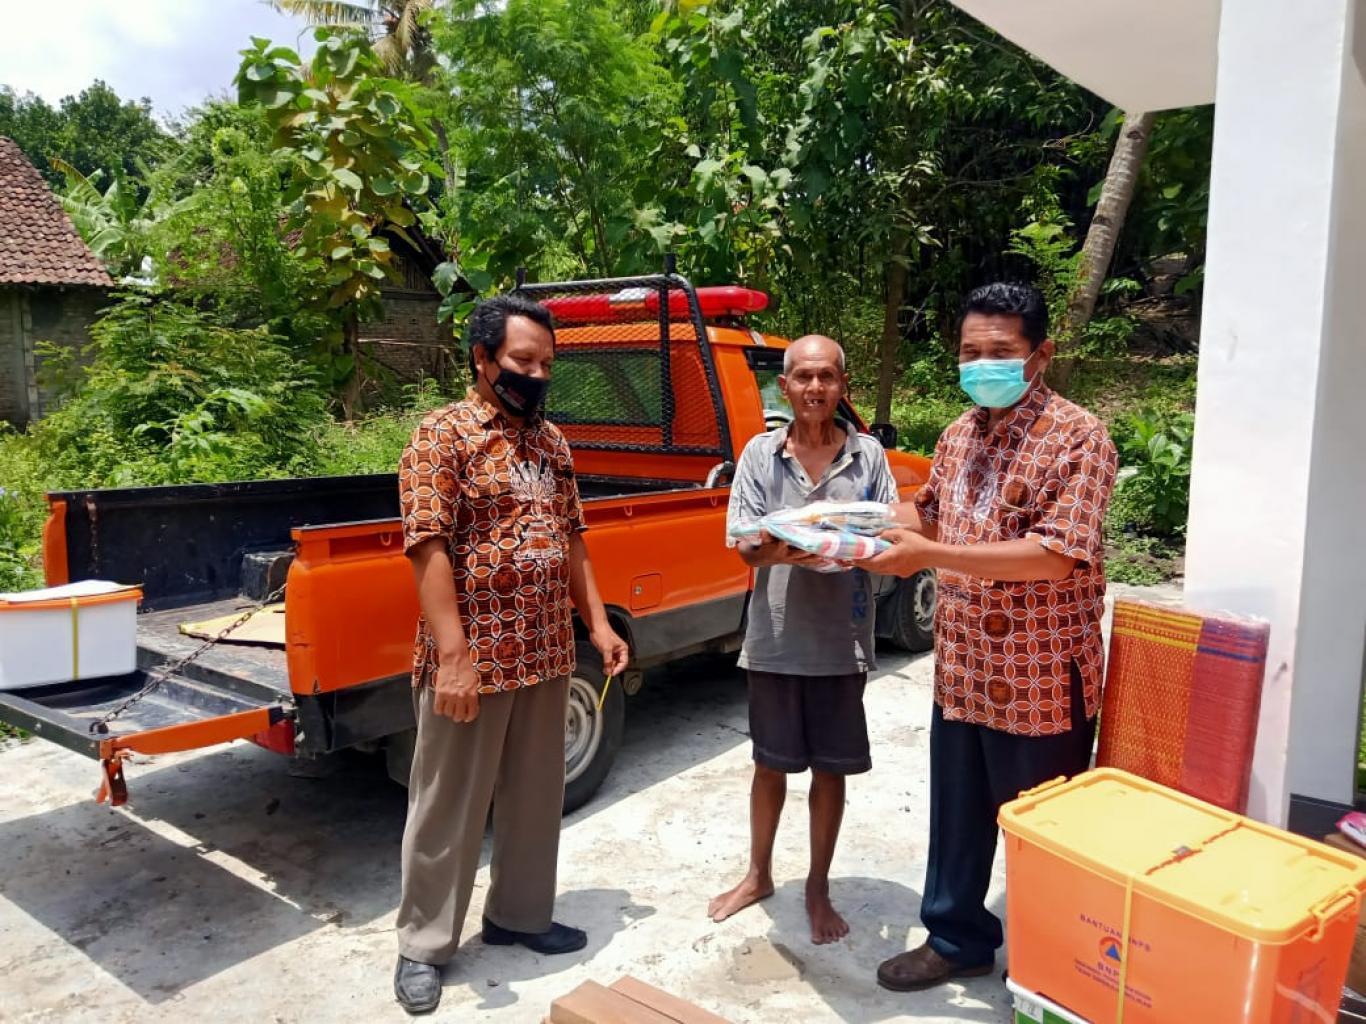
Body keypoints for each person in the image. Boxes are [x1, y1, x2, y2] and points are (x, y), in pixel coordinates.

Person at [856, 282, 1118, 991]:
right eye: (970, 352)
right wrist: (849, 524)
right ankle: (957, 939)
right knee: (957, 815)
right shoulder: (958, 434)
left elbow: (1055, 555)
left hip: (1039, 676)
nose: (981, 366)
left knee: (1043, 829)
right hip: (965, 667)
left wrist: (930, 556)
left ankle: (1051, 964)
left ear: (1040, 355)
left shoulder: (1079, 437)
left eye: (998, 352)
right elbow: (930, 515)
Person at [393, 295, 630, 1015]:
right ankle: (424, 944)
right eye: (524, 361)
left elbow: (573, 539)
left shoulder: (551, 443)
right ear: (483, 358)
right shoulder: (443, 436)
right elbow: (427, 547)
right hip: (476, 658)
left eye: (547, 364)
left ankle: (519, 916)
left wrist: (597, 625)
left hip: (546, 651)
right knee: (448, 805)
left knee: (535, 797)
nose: (537, 375)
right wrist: (453, 656)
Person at [708, 335, 899, 945]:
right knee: (769, 763)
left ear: (843, 384)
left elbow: (888, 534)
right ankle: (758, 874)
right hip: (775, 637)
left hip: (842, 639)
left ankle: (817, 886)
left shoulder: (868, 457)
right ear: (784, 386)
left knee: (830, 770)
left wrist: (835, 543)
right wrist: (787, 548)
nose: (815, 387)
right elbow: (745, 543)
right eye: (803, 377)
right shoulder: (760, 455)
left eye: (827, 376)